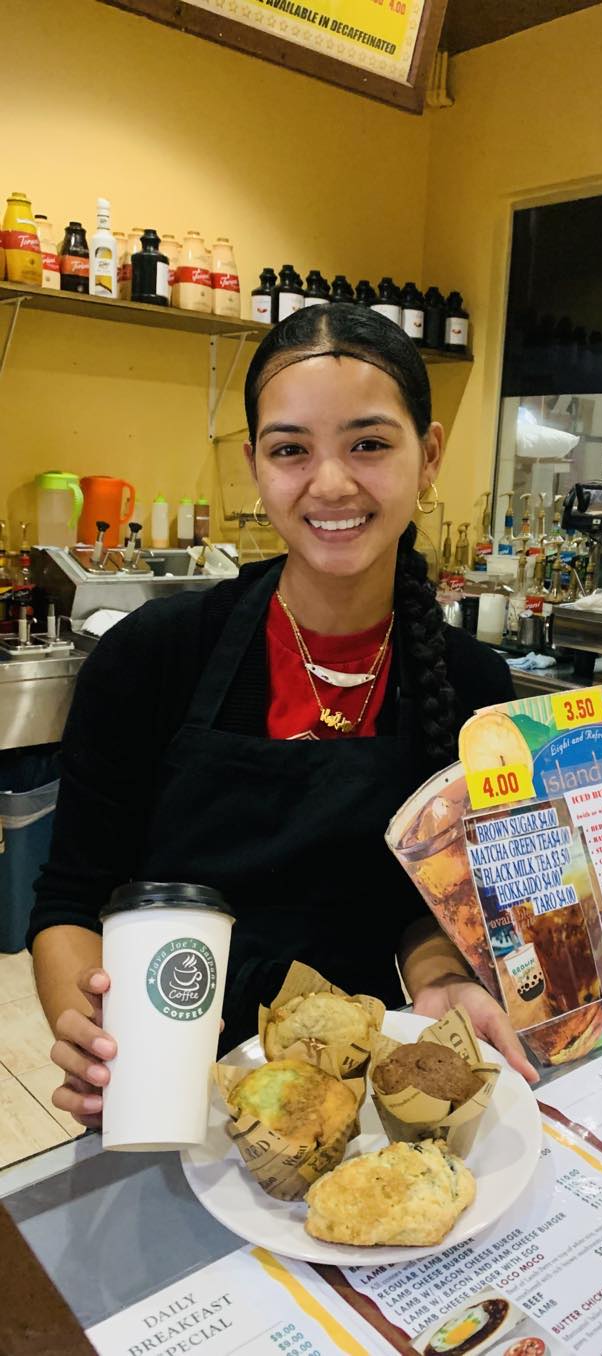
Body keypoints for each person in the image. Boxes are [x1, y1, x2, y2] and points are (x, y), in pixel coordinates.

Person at [30, 303, 537, 1131]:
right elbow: (72, 900)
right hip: (167, 1083)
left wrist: (442, 977)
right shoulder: (155, 656)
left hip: (367, 1104)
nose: (330, 483)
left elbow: (424, 902)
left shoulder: (471, 682)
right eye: (291, 449)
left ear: (429, 455)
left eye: (369, 444)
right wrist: (89, 1034)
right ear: (256, 466)